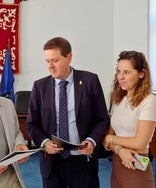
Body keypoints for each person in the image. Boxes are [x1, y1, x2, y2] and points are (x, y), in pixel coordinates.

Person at [26, 37, 110, 188]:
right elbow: (32, 123)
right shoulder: (40, 86)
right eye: (47, 61)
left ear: (69, 57)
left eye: (55, 60)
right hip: (52, 161)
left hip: (82, 160)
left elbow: (102, 119)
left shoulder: (90, 81)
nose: (50, 66)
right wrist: (44, 143)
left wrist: (91, 141)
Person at [103, 50, 156, 188]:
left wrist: (111, 140)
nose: (120, 77)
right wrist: (120, 149)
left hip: (136, 165)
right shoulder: (118, 99)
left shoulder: (149, 101)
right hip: (118, 163)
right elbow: (106, 140)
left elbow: (139, 143)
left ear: (141, 73)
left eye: (126, 72)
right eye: (119, 72)